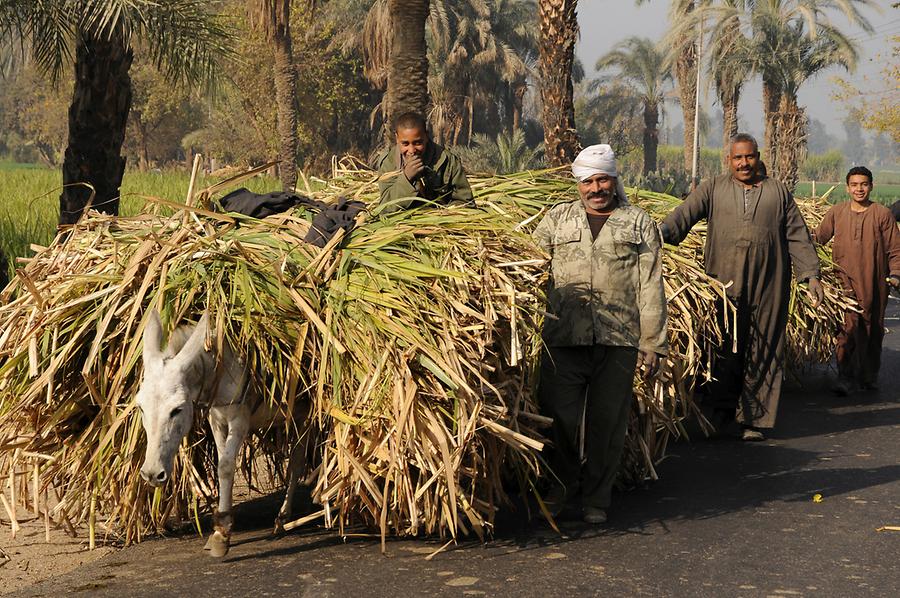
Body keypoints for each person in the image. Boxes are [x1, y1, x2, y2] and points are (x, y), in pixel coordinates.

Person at [533, 144, 668, 524]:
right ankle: (560, 488)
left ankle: (596, 498)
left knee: (608, 423)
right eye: (588, 181)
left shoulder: (638, 222)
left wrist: (652, 342)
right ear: (578, 184)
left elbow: (650, 286)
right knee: (559, 419)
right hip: (563, 336)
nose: (596, 188)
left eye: (603, 179)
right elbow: (530, 267)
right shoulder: (557, 220)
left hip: (618, 339)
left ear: (614, 179)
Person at [660, 133, 823, 441]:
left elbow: (797, 235)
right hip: (724, 282)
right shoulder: (714, 189)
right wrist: (659, 233)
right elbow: (683, 215)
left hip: (769, 283)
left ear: (757, 156)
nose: (744, 163)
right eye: (738, 158)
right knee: (724, 346)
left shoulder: (778, 192)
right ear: (729, 160)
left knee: (764, 348)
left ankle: (755, 420)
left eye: (749, 157)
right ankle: (721, 411)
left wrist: (810, 274)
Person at [813, 167, 900, 394]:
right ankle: (845, 376)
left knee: (873, 329)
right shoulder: (836, 212)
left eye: (863, 184)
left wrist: (896, 274)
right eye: (854, 185)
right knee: (847, 328)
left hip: (875, 283)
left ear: (871, 186)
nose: (859, 189)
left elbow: (895, 249)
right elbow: (819, 238)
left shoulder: (882, 214)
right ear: (847, 187)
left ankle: (869, 376)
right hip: (844, 284)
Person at [374, 112, 473, 213]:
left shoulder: (446, 161)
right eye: (405, 144)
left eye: (417, 143)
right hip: (401, 224)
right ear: (397, 138)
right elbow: (385, 208)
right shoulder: (389, 163)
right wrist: (407, 178)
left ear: (426, 136)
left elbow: (466, 202)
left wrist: (446, 213)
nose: (411, 150)